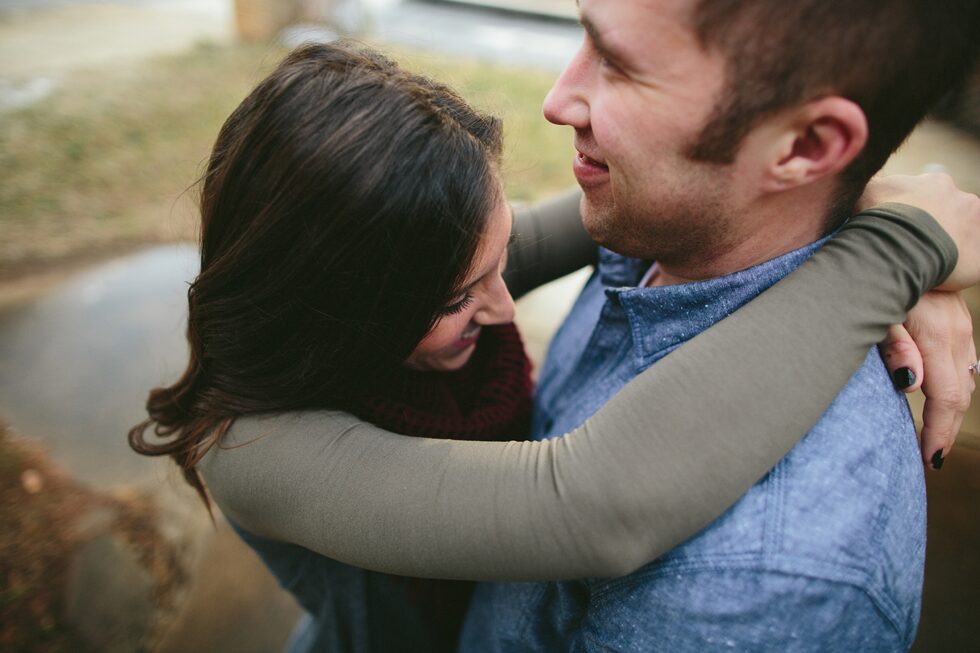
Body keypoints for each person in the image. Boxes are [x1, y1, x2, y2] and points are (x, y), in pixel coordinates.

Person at [132, 43, 979, 652]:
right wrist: (895, 254)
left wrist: (856, 199)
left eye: (500, 259)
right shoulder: (250, 445)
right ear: (344, 311)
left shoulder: (429, 275)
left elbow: (709, 197)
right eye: (460, 296)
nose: (503, 306)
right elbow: (586, 503)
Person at [457, 1, 980, 651]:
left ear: (806, 147)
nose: (558, 100)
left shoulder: (756, 579)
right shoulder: (663, 226)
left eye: (618, 67)